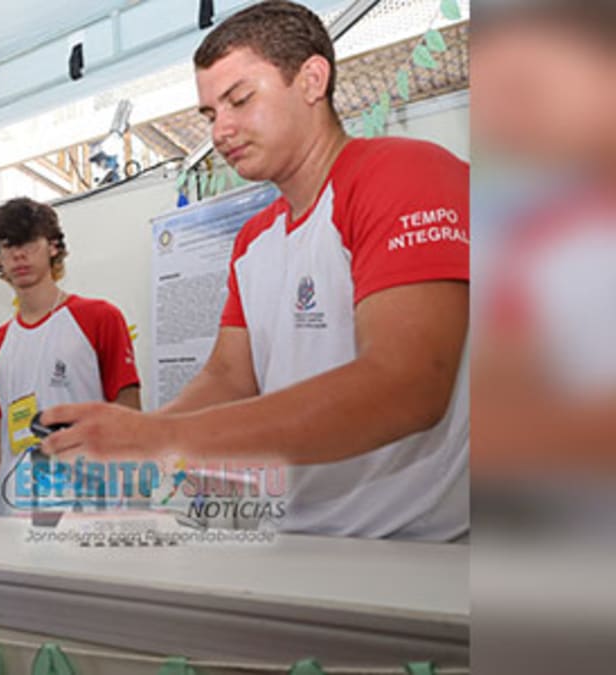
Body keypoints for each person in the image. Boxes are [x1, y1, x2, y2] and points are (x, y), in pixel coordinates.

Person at [41, 0, 469, 540]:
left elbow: (408, 384)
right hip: (297, 540)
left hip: (417, 550)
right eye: (210, 114)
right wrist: (140, 437)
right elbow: (230, 376)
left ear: (312, 79)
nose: (221, 130)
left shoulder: (403, 174)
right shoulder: (254, 238)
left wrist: (160, 441)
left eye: (240, 99)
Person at [0, 197, 141, 516]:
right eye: (6, 245)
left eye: (28, 241)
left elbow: (130, 418)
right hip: (12, 518)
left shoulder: (98, 318)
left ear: (53, 246)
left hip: (85, 514)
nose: (18, 254)